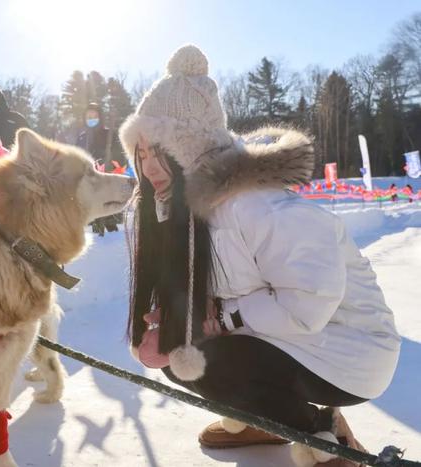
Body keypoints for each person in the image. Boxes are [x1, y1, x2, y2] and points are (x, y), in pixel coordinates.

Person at [119, 44, 400, 467]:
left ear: (192, 147)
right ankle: (263, 419)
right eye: (140, 154)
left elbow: (308, 302)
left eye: (161, 151)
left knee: (204, 360)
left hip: (350, 350)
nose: (149, 167)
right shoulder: (182, 213)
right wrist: (184, 313)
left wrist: (224, 315)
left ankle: (321, 440)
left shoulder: (258, 205)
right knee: (173, 350)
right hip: (289, 340)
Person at [77, 102, 125, 235]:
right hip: (91, 182)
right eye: (89, 116)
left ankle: (112, 235)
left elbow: (121, 156)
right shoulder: (82, 138)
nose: (91, 119)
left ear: (100, 117)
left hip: (109, 180)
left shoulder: (110, 134)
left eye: (94, 115)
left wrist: (112, 165)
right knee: (95, 224)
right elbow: (78, 157)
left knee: (111, 224)